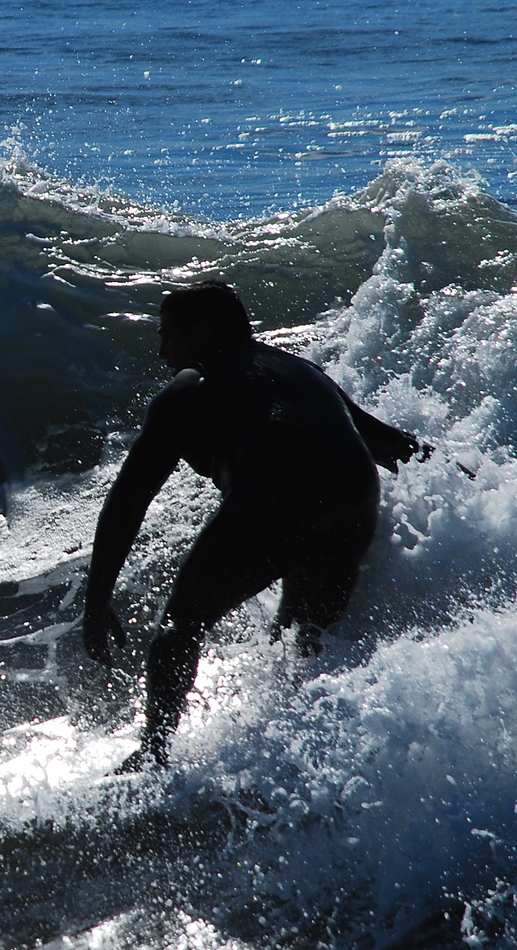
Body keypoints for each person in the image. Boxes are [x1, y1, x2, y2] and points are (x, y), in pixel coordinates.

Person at [81, 281, 423, 772]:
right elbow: (391, 445)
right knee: (303, 643)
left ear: (201, 331)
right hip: (353, 502)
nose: (161, 352)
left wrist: (96, 601)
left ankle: (153, 760)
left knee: (181, 626)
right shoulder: (305, 372)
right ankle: (311, 766)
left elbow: (127, 501)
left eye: (167, 335)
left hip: (280, 497)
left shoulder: (189, 388)